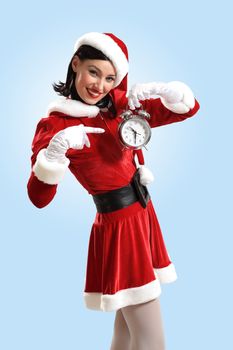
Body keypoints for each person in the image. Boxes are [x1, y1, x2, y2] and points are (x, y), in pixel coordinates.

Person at [27, 32, 200, 350]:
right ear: (76, 64)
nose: (100, 86)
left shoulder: (118, 111)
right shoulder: (56, 126)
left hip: (143, 218)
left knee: (126, 335)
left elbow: (187, 109)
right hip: (121, 230)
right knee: (152, 341)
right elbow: (38, 198)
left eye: (110, 78)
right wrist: (54, 153)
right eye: (94, 72)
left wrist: (167, 92)